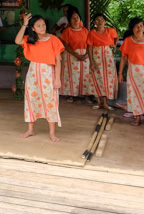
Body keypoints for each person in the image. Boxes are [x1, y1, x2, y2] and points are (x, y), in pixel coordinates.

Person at [15, 13, 64, 142]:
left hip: (48, 73)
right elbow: (17, 40)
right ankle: (30, 130)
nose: (42, 27)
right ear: (33, 28)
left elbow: (58, 61)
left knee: (51, 101)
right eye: (38, 25)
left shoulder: (53, 39)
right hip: (33, 73)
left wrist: (57, 79)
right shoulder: (30, 40)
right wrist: (25, 24)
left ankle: (52, 133)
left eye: (43, 24)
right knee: (31, 100)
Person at [118, 17, 144, 126]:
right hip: (134, 71)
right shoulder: (128, 41)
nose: (139, 28)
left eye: (141, 25)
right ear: (132, 29)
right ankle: (137, 117)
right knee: (135, 94)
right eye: (136, 26)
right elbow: (123, 58)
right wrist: (120, 73)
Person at [59, 8, 93, 103]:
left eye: (77, 17)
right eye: (73, 18)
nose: (76, 20)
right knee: (72, 75)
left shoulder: (85, 30)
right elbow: (66, 46)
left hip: (85, 55)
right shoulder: (67, 31)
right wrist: (76, 55)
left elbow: (90, 43)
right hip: (72, 55)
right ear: (70, 20)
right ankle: (71, 95)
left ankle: (87, 95)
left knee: (85, 75)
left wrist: (86, 54)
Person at [87, 14, 118, 110]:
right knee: (97, 78)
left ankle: (105, 103)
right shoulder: (92, 33)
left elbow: (116, 37)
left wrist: (114, 45)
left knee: (107, 79)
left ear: (105, 22)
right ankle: (99, 102)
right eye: (97, 20)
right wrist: (91, 62)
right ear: (95, 22)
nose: (100, 22)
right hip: (96, 56)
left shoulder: (110, 31)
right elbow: (90, 47)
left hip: (107, 57)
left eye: (102, 20)